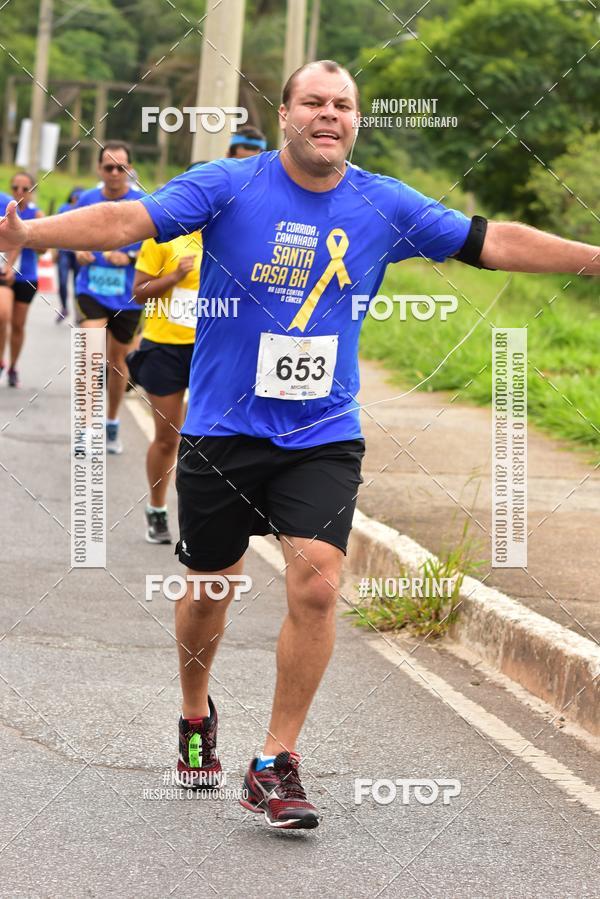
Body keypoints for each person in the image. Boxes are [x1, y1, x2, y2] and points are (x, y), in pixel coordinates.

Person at [3, 59, 600, 829]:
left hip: (322, 433)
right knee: (209, 590)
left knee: (316, 583)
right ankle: (194, 711)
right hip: (222, 429)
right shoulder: (228, 184)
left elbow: (492, 241)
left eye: (343, 105)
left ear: (356, 120)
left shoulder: (384, 202)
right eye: (313, 101)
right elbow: (129, 222)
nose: (329, 114)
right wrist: (29, 230)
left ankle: (274, 761)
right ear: (284, 114)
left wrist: (592, 258)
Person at [127, 226, 203, 544]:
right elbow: (139, 291)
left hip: (210, 350)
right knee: (168, 438)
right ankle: (157, 509)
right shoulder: (163, 237)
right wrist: (173, 277)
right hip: (165, 349)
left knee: (208, 440)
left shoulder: (230, 234)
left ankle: (201, 520)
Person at [73, 141, 143, 453]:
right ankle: (85, 428)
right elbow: (67, 236)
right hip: (91, 290)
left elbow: (159, 250)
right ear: (99, 169)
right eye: (109, 167)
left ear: (130, 169)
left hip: (128, 295)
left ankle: (111, 422)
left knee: (117, 363)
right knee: (91, 354)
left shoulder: (142, 203)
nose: (115, 173)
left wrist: (128, 259)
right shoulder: (87, 199)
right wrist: (78, 249)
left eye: (121, 167)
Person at [0, 172, 44, 387]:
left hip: (26, 276)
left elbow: (44, 250)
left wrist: (30, 236)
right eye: (15, 187)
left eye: (24, 189)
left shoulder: (37, 215)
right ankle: (0, 360)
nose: (19, 192)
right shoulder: (4, 210)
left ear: (32, 191)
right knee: (2, 316)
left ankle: (13, 367)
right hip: (4, 275)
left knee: (18, 325)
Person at [55, 186, 84, 323]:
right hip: (64, 252)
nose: (76, 199)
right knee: (62, 281)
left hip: (78, 252)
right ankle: (64, 308)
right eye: (74, 196)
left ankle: (78, 312)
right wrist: (54, 250)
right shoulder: (63, 208)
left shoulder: (85, 211)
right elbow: (56, 229)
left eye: (79, 197)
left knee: (77, 284)